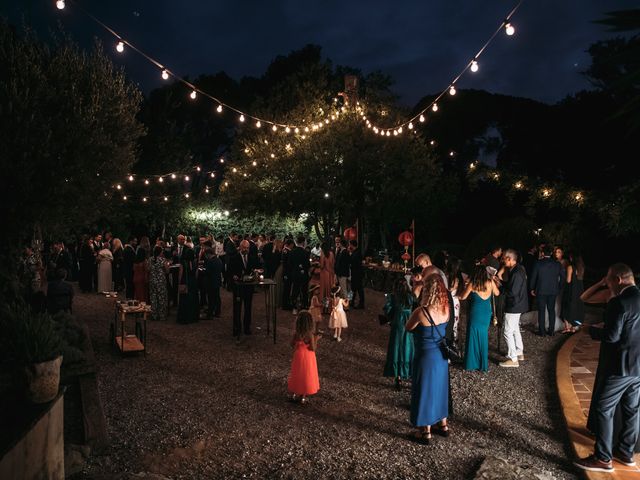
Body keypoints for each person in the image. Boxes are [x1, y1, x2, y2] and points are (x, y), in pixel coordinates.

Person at [574, 263, 640, 473]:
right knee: (632, 411)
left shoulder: (619, 302)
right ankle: (626, 453)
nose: (608, 284)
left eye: (609, 280)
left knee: (604, 409)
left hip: (620, 366)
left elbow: (612, 336)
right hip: (638, 367)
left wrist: (590, 330)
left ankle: (603, 459)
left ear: (618, 280)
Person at [405, 274, 450, 444]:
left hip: (425, 357)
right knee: (440, 389)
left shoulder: (421, 312)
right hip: (441, 356)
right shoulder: (446, 308)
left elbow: (408, 327)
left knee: (424, 390)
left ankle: (426, 432)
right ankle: (443, 425)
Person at [459, 265, 500, 372]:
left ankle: (471, 363)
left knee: (472, 336)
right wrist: (493, 281)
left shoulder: (473, 284)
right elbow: (497, 293)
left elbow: (463, 297)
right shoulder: (490, 283)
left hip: (475, 312)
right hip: (486, 313)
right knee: (483, 336)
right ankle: (482, 364)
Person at [383, 278, 415, 390]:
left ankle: (398, 377)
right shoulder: (411, 297)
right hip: (410, 324)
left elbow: (387, 310)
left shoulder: (393, 297)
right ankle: (410, 373)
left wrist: (389, 318)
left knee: (396, 350)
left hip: (398, 325)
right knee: (408, 349)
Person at [499, 249, 528, 368]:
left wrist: (500, 288)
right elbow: (512, 286)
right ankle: (519, 351)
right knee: (515, 329)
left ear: (509, 259)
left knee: (507, 332)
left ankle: (513, 358)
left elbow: (512, 292)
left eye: (504, 258)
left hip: (514, 305)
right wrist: (500, 281)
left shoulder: (516, 273)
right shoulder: (519, 268)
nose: (502, 261)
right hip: (519, 303)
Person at [228, 240, 260, 340]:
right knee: (237, 308)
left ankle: (247, 327)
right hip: (238, 287)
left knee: (248, 308)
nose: (246, 250)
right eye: (244, 248)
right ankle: (236, 328)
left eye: (247, 248)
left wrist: (256, 272)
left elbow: (256, 268)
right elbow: (229, 270)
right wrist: (233, 276)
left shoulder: (251, 258)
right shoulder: (234, 258)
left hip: (248, 287)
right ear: (240, 247)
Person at [530, 245, 565, 336]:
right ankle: (551, 331)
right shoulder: (557, 264)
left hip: (541, 290)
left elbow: (533, 277)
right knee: (551, 310)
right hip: (553, 291)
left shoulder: (538, 263)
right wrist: (559, 287)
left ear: (542, 253)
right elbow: (563, 277)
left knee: (541, 311)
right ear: (551, 253)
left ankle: (542, 332)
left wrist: (532, 288)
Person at [287, 311, 320, 404]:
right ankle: (303, 397)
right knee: (306, 375)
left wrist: (298, 344)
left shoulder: (296, 334)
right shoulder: (310, 335)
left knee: (297, 374)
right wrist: (316, 339)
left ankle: (293, 394)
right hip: (308, 357)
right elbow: (313, 348)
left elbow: (291, 344)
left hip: (298, 355)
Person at [561, 251, 585, 333]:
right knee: (576, 307)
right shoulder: (581, 267)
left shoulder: (570, 267)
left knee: (566, 307)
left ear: (572, 258)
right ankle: (574, 327)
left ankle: (567, 327)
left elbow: (568, 280)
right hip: (579, 290)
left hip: (571, 289)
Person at [176, 242, 199, 324]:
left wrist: (179, 283)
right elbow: (196, 274)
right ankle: (193, 316)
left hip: (185, 281)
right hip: (193, 282)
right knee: (193, 300)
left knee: (184, 300)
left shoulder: (183, 263)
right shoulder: (195, 262)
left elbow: (180, 274)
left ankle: (184, 317)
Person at [288, 235, 311, 314]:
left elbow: (289, 264)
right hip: (303, 274)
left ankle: (294, 307)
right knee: (304, 290)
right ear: (303, 242)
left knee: (295, 289)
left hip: (295, 274)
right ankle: (304, 306)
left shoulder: (292, 252)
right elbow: (308, 265)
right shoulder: (305, 252)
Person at [149, 246, 169, 321]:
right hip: (160, 280)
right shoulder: (163, 260)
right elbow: (167, 270)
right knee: (161, 297)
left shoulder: (150, 259)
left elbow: (148, 268)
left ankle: (154, 314)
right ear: (160, 252)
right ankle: (162, 315)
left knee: (153, 297)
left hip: (152, 280)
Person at [204, 247, 223, 319]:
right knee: (217, 297)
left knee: (211, 298)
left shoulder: (210, 261)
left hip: (211, 282)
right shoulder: (218, 260)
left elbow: (207, 272)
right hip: (217, 281)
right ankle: (218, 312)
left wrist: (203, 271)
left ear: (208, 254)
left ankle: (210, 313)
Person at [349, 240, 364, 309]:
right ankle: (351, 301)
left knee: (358, 288)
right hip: (355, 273)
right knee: (353, 288)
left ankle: (361, 303)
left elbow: (353, 262)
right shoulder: (356, 252)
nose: (349, 246)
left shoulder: (356, 253)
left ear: (352, 245)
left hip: (357, 273)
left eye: (350, 245)